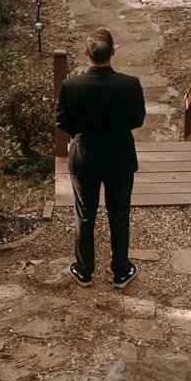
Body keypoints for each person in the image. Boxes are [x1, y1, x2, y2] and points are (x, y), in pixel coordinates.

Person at [54, 26, 145, 288]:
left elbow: (61, 120)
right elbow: (137, 121)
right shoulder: (130, 84)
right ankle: (120, 270)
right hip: (120, 157)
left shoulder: (71, 86)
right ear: (113, 53)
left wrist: (80, 133)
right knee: (119, 214)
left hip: (85, 159)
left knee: (85, 214)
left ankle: (84, 270)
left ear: (86, 53)